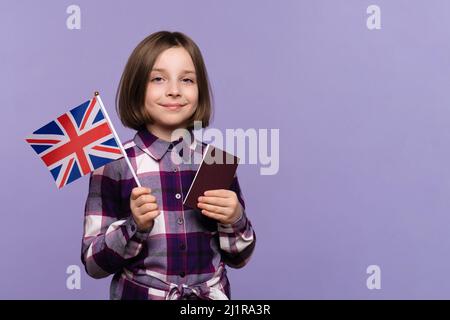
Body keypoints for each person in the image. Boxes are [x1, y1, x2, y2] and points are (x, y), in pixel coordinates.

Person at [81, 31, 256, 300]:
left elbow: (239, 257)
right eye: (158, 79)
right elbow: (94, 264)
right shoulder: (113, 165)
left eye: (187, 79)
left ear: (200, 90)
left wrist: (234, 219)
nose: (174, 90)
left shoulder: (215, 162)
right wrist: (134, 226)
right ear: (137, 87)